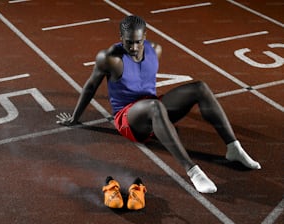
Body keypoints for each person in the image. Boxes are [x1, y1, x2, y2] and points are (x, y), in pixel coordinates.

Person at [57, 15, 261, 198]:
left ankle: (234, 148)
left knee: (200, 87)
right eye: (129, 42)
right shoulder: (110, 59)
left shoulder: (155, 50)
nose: (134, 47)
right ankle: (193, 171)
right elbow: (90, 87)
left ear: (145, 36)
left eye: (138, 42)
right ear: (120, 37)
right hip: (129, 119)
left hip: (155, 108)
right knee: (155, 106)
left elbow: (145, 82)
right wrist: (76, 118)